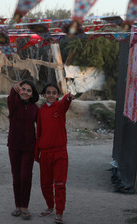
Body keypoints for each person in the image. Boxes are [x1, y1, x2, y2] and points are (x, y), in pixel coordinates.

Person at [35, 83, 75, 224]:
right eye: (48, 92)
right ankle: (50, 207)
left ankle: (59, 212)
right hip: (45, 153)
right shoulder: (41, 111)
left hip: (60, 152)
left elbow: (66, 102)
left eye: (54, 93)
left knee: (59, 184)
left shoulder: (60, 107)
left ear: (57, 95)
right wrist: (37, 153)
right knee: (45, 184)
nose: (51, 95)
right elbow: (38, 133)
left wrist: (68, 97)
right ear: (44, 95)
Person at [7, 80, 39, 220]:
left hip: (29, 147)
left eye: (29, 90)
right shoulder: (14, 105)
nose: (25, 92)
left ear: (32, 94)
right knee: (16, 176)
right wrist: (13, 90)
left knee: (25, 176)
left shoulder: (35, 109)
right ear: (19, 91)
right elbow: (10, 98)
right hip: (14, 146)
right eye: (23, 89)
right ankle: (18, 206)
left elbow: (43, 125)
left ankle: (25, 207)